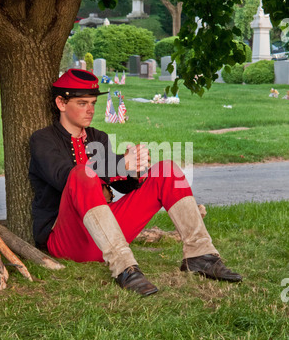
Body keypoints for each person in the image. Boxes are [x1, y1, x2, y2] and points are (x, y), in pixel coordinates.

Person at [29, 69, 242, 297]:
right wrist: (121, 163)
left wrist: (135, 168)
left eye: (92, 103)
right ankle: (125, 268)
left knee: (167, 169)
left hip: (105, 233)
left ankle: (200, 255)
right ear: (61, 103)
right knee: (82, 173)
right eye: (82, 103)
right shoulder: (42, 139)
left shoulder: (98, 137)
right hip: (68, 239)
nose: (90, 109)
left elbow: (123, 187)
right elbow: (65, 177)